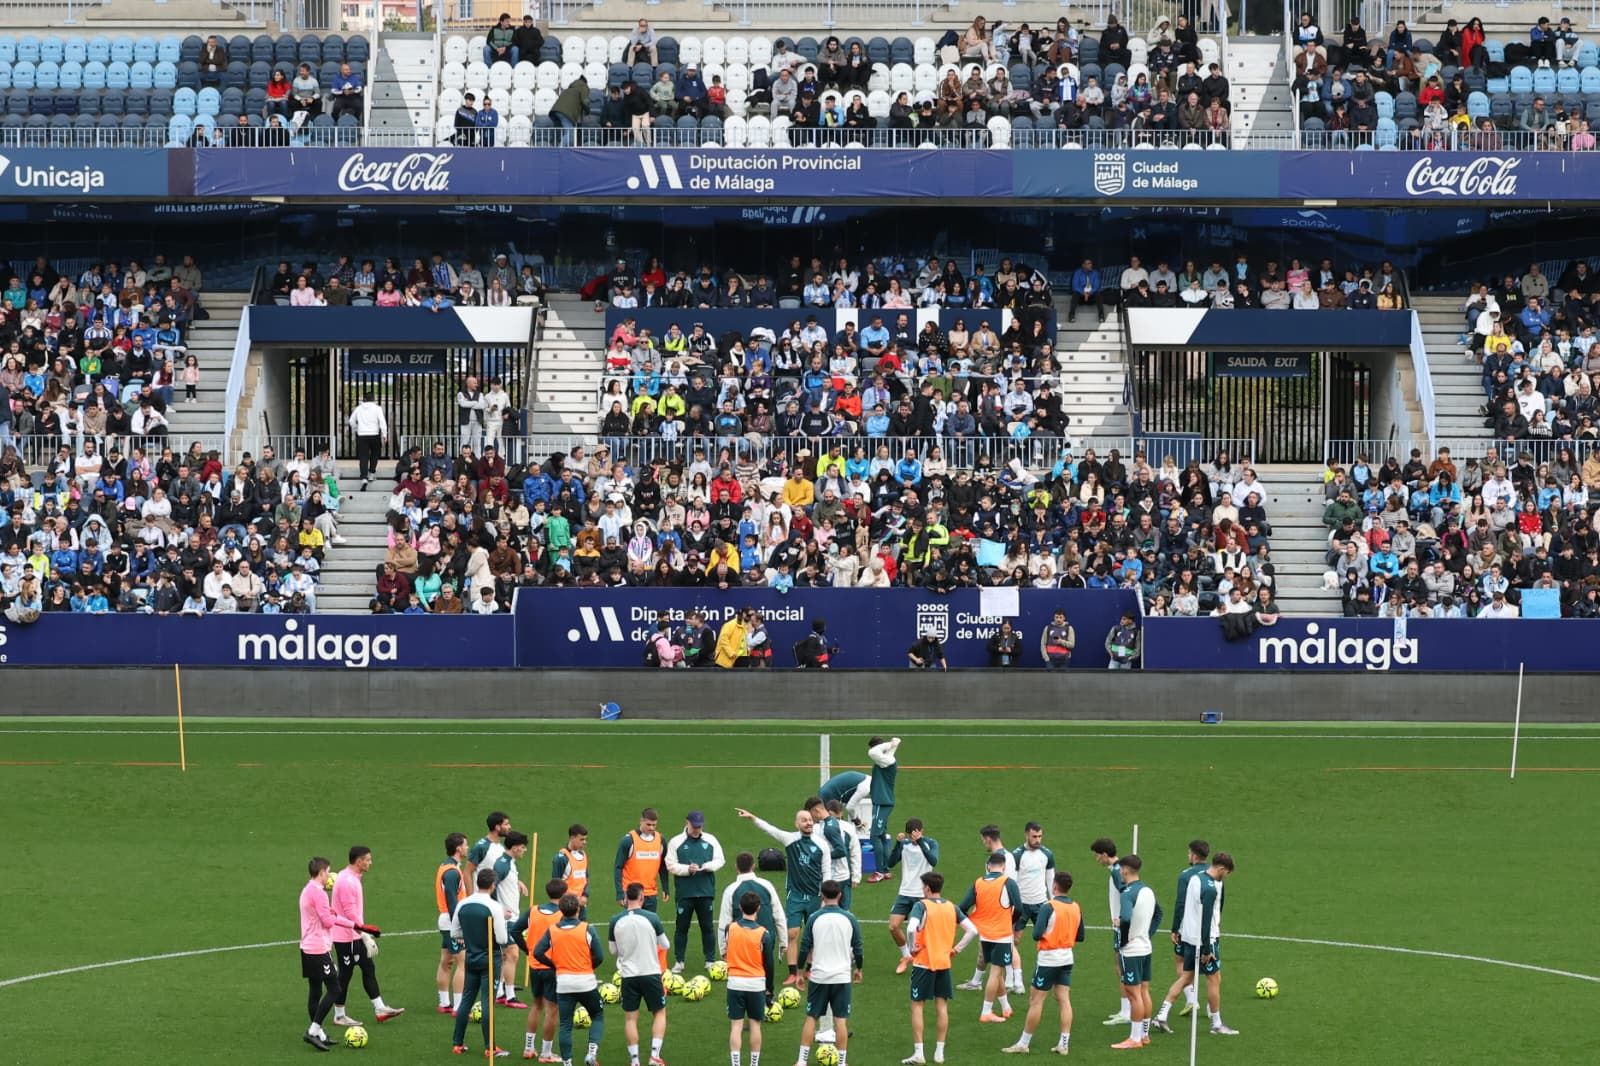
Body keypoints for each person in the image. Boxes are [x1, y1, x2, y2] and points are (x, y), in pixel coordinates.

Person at [734, 805, 829, 986]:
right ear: (797, 824)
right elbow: (770, 829)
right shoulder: (790, 840)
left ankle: (809, 969)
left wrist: (826, 896)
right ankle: (793, 972)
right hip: (795, 894)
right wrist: (753, 818)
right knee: (792, 933)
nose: (808, 823)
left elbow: (827, 871)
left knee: (813, 935)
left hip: (815, 896)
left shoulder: (821, 845)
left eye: (810, 820)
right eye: (804, 820)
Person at [1001, 871, 1084, 1056]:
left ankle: (1023, 1043)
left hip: (1048, 959)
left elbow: (1036, 934)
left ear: (1054, 886)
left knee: (1036, 1001)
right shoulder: (1076, 907)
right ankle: (1064, 1043)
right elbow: (1081, 936)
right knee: (1064, 1000)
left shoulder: (1049, 906)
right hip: (1067, 958)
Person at [1154, 853, 1236, 1036]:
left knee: (1186, 977)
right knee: (1214, 979)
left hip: (1189, 938)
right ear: (1222, 868)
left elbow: (1184, 905)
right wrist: (1207, 949)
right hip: (1205, 940)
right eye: (1227, 872)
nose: (1226, 876)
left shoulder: (1195, 878)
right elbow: (1206, 921)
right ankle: (1216, 1024)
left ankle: (1161, 1015)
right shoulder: (1210, 889)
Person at [903, 871, 978, 1066]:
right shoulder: (951, 907)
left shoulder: (921, 906)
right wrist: (956, 950)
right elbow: (972, 930)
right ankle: (939, 1052)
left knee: (917, 1005)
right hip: (944, 963)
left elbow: (911, 928)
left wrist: (912, 948)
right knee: (942, 1006)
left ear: (927, 888)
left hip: (924, 963)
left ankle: (919, 1053)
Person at [531, 893, 608, 1066]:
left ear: (561, 910)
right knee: (597, 1015)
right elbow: (600, 956)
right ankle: (591, 1054)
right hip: (586, 981)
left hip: (564, 983)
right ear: (578, 910)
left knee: (565, 1024)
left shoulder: (552, 930)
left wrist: (554, 965)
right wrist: (588, 966)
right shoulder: (587, 929)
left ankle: (567, 1063)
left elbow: (537, 953)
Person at [299, 856, 367, 1052]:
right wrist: (338, 917)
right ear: (321, 873)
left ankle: (319, 1034)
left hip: (307, 947)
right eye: (328, 871)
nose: (330, 875)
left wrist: (355, 925)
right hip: (319, 948)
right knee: (335, 989)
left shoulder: (308, 889)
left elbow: (331, 917)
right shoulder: (319, 894)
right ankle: (313, 1030)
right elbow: (328, 922)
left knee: (315, 990)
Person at [331, 846, 404, 1026]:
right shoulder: (348, 882)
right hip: (346, 937)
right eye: (368, 860)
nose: (371, 863)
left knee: (368, 968)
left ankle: (380, 1008)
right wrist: (366, 936)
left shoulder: (351, 878)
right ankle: (339, 1015)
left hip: (353, 935)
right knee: (345, 975)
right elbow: (349, 913)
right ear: (359, 861)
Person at [794, 881, 863, 1066]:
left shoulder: (814, 918)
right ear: (840, 895)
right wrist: (859, 969)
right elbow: (858, 947)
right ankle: (841, 1063)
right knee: (841, 1021)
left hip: (819, 976)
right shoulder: (850, 918)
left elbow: (804, 947)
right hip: (841, 977)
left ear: (822, 896)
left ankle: (801, 1061)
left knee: (811, 1017)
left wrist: (799, 972)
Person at [609, 883, 671, 1066]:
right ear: (642, 897)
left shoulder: (615, 920)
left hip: (628, 975)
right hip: (650, 973)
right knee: (659, 1013)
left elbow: (613, 951)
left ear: (626, 898)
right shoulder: (652, 918)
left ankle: (634, 1061)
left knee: (630, 1018)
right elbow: (665, 945)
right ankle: (654, 1056)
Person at [452, 867, 511, 1057]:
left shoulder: (463, 903)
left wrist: (470, 936)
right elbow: (502, 939)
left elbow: (455, 933)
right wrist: (503, 918)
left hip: (471, 957)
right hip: (490, 959)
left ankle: (457, 1043)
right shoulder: (494, 907)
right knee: (487, 1002)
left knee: (467, 1000)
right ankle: (490, 1047)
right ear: (493, 885)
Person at [957, 851, 1022, 1024]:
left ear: (988, 866)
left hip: (984, 935)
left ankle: (1006, 1007)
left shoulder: (978, 883)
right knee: (996, 972)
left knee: (997, 971)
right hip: (1001, 935)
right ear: (1004, 867)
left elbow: (962, 907)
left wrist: (970, 923)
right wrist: (1010, 921)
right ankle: (986, 1011)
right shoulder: (1008, 883)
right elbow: (1020, 908)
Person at [1152, 840, 1209, 1030]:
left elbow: (1180, 904)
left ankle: (1190, 1000)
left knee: (1181, 963)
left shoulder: (1186, 875)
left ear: (1193, 855)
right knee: (1212, 973)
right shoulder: (1213, 872)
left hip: (1188, 930)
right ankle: (1211, 1009)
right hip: (1210, 929)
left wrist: (1175, 928)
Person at [717, 851, 787, 1007]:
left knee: (747, 971)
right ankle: (768, 995)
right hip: (766, 938)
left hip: (740, 942)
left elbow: (724, 922)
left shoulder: (731, 890)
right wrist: (784, 941)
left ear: (736, 867)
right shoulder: (767, 885)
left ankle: (747, 1003)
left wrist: (723, 948)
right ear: (753, 866)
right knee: (765, 966)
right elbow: (779, 915)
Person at [513, 878, 568, 1062]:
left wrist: (528, 950)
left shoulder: (533, 910)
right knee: (552, 1010)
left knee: (536, 1006)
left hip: (534, 965)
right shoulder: (563, 915)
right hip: (552, 967)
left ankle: (529, 1048)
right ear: (563, 895)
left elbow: (515, 931)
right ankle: (546, 1053)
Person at [666, 809, 725, 973]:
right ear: (687, 823)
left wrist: (708, 866)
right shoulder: (676, 842)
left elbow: (720, 860)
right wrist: (687, 869)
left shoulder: (711, 840)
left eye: (699, 827)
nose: (696, 830)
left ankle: (710, 960)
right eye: (694, 826)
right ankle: (679, 961)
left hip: (705, 891)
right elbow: (670, 864)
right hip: (685, 893)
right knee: (681, 928)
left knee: (707, 927)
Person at [1111, 855, 1158, 1050]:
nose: (1120, 872)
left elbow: (1127, 918)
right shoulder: (1148, 890)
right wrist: (1147, 933)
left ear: (1126, 870)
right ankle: (1144, 1035)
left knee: (1133, 994)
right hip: (1145, 947)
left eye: (1121, 869)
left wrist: (1123, 939)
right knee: (1144, 991)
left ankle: (1135, 1038)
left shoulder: (1127, 893)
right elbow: (1159, 913)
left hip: (1131, 950)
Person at [725, 890, 775, 1066]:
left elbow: (725, 951)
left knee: (736, 1026)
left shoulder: (730, 929)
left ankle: (736, 1063)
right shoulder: (764, 934)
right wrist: (770, 989)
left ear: (740, 907)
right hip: (756, 984)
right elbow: (769, 964)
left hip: (735, 983)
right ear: (758, 908)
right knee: (755, 1025)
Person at [886, 818, 941, 973]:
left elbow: (933, 860)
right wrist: (897, 844)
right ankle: (907, 956)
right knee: (893, 926)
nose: (914, 838)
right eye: (912, 836)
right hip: (904, 893)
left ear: (922, 831)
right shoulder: (905, 845)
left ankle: (928, 959)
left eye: (917, 834)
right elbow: (890, 863)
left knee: (922, 931)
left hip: (923, 895)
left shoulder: (931, 843)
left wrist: (921, 841)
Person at [1010, 822, 1057, 997]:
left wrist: (1054, 902)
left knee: (1046, 941)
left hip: (1041, 905)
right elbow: (1012, 882)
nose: (1037, 840)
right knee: (1013, 941)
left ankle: (1045, 976)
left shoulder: (1047, 854)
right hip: (1021, 905)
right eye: (1034, 836)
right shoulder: (1017, 855)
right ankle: (1015, 980)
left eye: (1040, 836)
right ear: (1026, 835)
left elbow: (1051, 879)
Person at [1090, 838, 1131, 1028]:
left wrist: (1121, 918)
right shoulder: (1120, 868)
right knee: (1120, 967)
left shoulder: (1116, 871)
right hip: (1121, 925)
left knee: (1120, 967)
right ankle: (1125, 1009)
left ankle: (1127, 1011)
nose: (1096, 859)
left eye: (1097, 855)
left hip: (1121, 927)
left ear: (1105, 854)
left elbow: (1126, 893)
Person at [493, 831, 532, 1008]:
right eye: (523, 848)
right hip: (506, 919)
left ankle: (500, 991)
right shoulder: (502, 865)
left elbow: (502, 881)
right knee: (513, 954)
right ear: (515, 847)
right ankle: (510, 997)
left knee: (504, 955)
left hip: (510, 918)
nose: (524, 851)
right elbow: (489, 887)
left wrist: (517, 882)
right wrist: (499, 910)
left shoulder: (508, 863)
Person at [435, 832, 470, 1016]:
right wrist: (460, 925)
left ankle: (444, 1003)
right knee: (463, 963)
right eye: (465, 845)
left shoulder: (445, 866)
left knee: (446, 961)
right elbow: (451, 901)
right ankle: (458, 1006)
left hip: (446, 920)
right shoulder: (451, 872)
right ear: (458, 848)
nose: (467, 848)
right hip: (452, 922)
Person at [614, 807, 670, 912]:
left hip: (651, 894)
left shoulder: (661, 840)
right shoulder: (628, 841)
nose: (651, 828)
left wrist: (665, 887)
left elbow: (663, 866)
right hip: (632, 894)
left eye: (654, 825)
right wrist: (620, 893)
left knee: (650, 927)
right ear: (641, 821)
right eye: (648, 824)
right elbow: (618, 867)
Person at [864, 736, 902, 883]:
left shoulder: (886, 761)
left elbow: (873, 752)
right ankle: (885, 870)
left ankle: (879, 871)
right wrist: (893, 745)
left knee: (874, 836)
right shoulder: (886, 760)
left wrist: (890, 744)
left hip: (882, 802)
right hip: (882, 801)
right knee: (881, 836)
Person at [347, 391, 388, 489]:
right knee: (375, 454)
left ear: (364, 399)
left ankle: (364, 477)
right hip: (374, 434)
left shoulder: (358, 408)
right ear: (373, 399)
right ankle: (372, 473)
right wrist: (384, 434)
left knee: (363, 457)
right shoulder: (377, 408)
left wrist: (357, 429)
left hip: (362, 435)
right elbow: (382, 422)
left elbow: (351, 421)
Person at [552, 824, 591, 916]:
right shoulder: (561, 858)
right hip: (566, 907)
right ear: (572, 838)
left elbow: (586, 878)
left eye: (585, 839)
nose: (584, 842)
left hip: (581, 906)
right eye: (581, 839)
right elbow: (555, 886)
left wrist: (585, 895)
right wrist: (571, 899)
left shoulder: (583, 855)